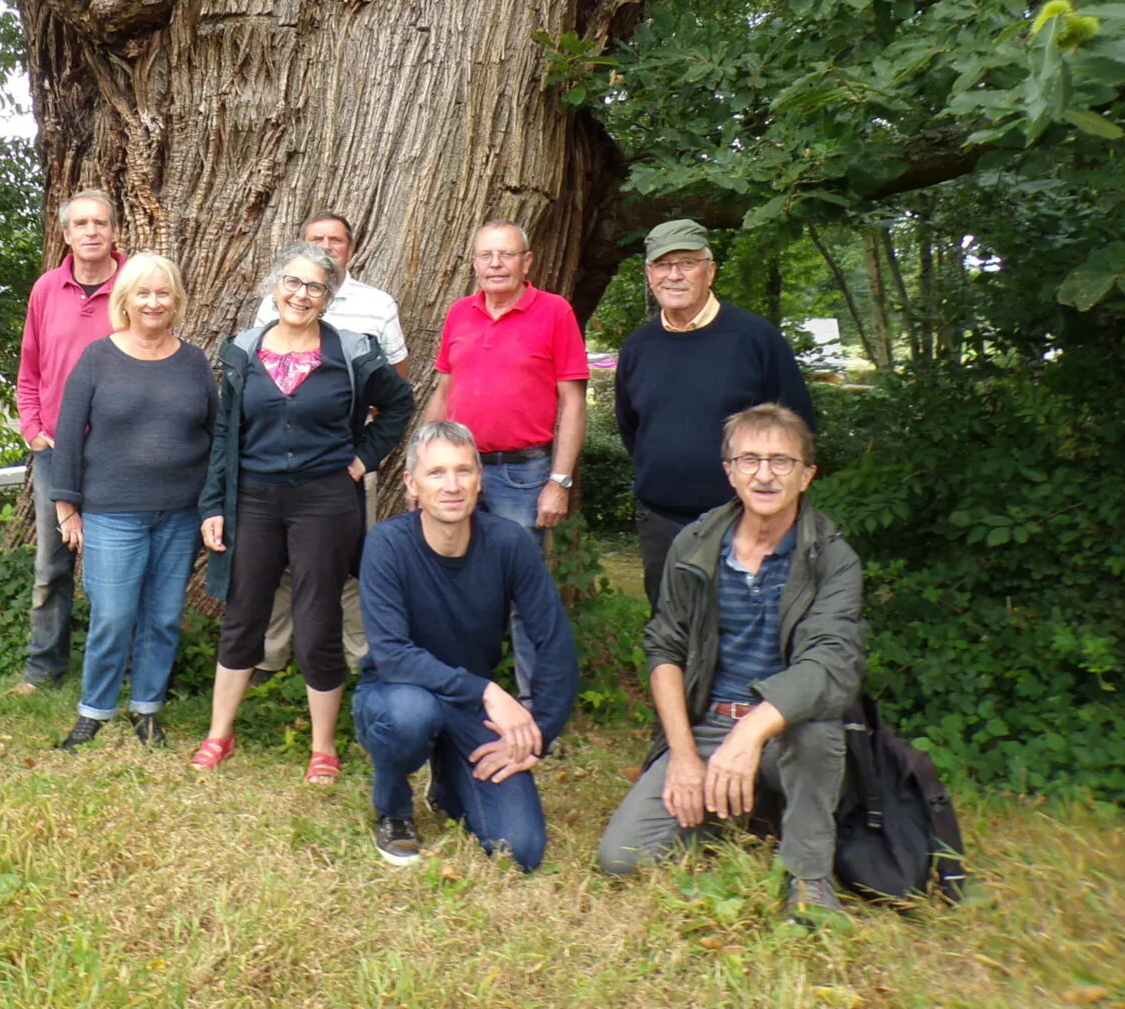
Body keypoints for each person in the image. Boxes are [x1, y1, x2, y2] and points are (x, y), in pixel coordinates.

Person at [596, 404, 865, 922]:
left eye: (781, 462)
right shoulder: (694, 545)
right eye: (749, 460)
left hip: (784, 728)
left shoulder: (832, 558)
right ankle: (736, 808)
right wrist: (682, 756)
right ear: (729, 472)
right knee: (620, 860)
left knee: (818, 732)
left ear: (807, 475)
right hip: (707, 723)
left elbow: (831, 667)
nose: (764, 474)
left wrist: (749, 734)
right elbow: (665, 648)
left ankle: (808, 876)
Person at [192, 243, 416, 782]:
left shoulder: (353, 352)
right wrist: (214, 504)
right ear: (275, 286)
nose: (301, 294)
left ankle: (323, 748)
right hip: (254, 500)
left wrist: (361, 461)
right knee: (245, 614)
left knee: (319, 619)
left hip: (325, 500)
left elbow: (400, 404)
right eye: (292, 282)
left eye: (315, 286)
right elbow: (226, 433)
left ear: (329, 296)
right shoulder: (243, 350)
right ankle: (219, 733)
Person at [355, 421, 578, 871]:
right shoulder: (386, 545)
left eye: (463, 471)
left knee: (521, 851)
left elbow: (552, 638)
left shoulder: (509, 543)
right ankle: (394, 812)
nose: (452, 485)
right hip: (395, 693)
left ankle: (449, 783)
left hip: (466, 706)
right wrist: (490, 693)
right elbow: (393, 655)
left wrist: (541, 733)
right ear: (411, 483)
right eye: (436, 473)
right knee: (410, 715)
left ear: (480, 478)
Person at [48, 254, 216, 750]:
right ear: (125, 299)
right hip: (112, 512)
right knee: (113, 616)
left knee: (163, 617)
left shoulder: (194, 361)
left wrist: (211, 506)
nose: (153, 302)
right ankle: (94, 710)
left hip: (179, 513)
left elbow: (214, 432)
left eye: (163, 293)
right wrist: (66, 505)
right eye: (143, 292)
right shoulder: (99, 358)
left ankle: (147, 709)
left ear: (176, 300)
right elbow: (68, 435)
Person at [424, 219, 588, 703]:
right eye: (486, 256)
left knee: (523, 593)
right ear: (474, 263)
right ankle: (458, 694)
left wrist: (559, 480)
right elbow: (443, 390)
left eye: (506, 255)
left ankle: (537, 707)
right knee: (452, 581)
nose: (496, 265)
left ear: (526, 261)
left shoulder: (555, 312)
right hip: (460, 472)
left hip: (524, 473)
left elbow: (573, 402)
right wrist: (424, 459)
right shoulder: (459, 313)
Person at [616, 219, 817, 609]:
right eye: (663, 265)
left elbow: (799, 430)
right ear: (649, 274)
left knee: (746, 637)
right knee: (672, 633)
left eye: (687, 263)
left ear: (711, 270)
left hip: (745, 518)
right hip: (662, 524)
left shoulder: (756, 339)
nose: (674, 275)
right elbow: (632, 428)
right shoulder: (638, 347)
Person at [248, 211, 408, 683]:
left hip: (344, 464)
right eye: (316, 238)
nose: (327, 246)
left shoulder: (376, 304)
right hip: (276, 466)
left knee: (352, 563)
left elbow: (394, 385)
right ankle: (270, 656)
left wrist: (362, 456)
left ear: (351, 248)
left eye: (335, 240)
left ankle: (359, 657)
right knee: (277, 565)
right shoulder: (273, 303)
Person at [11, 189, 125, 696]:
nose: (92, 231)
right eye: (81, 224)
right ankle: (43, 670)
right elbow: (29, 367)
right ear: (66, 234)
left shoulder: (133, 286)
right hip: (57, 449)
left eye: (101, 222)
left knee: (116, 568)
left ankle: (115, 672)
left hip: (119, 451)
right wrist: (33, 428)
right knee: (51, 567)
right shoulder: (45, 289)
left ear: (115, 231)